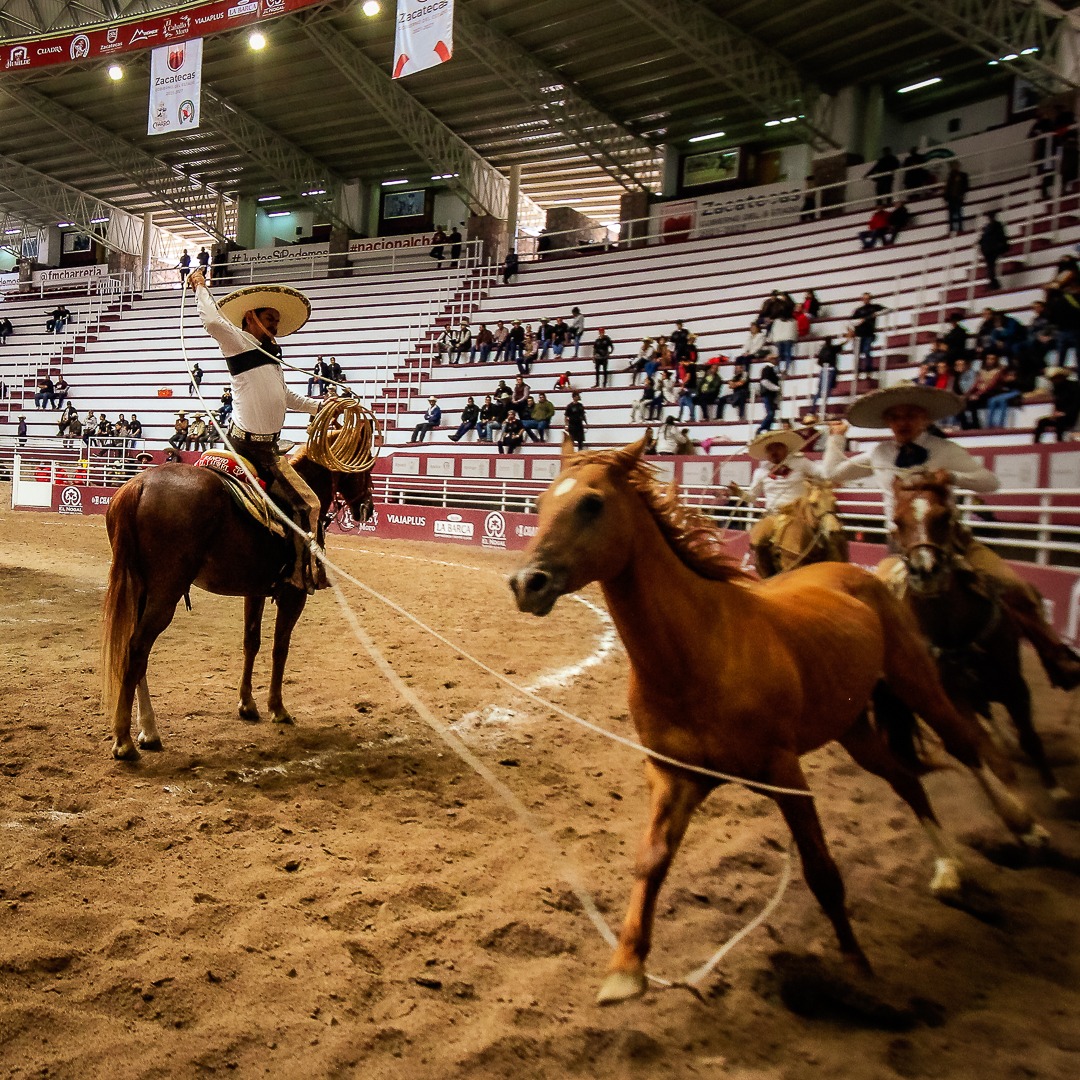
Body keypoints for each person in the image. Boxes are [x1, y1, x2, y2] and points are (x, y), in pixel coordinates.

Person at [824, 383, 1080, 689]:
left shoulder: (945, 450)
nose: (902, 422)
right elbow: (832, 474)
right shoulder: (880, 452)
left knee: (1016, 586)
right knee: (877, 605)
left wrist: (955, 476)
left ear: (925, 419)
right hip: (900, 545)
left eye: (910, 415)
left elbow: (990, 482)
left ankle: (1055, 653)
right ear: (888, 422)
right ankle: (882, 673)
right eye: (895, 417)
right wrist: (836, 438)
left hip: (953, 540)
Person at [187, 266, 325, 593]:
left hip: (264, 446)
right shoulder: (241, 342)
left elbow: (286, 396)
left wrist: (318, 406)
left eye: (277, 320)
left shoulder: (270, 356)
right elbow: (212, 322)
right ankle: (297, 571)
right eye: (269, 318)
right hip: (252, 449)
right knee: (310, 505)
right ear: (251, 317)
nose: (275, 325)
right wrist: (201, 287)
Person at [730, 429, 822, 578]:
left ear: (786, 447)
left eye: (777, 447)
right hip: (773, 516)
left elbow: (821, 474)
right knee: (758, 541)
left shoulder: (801, 463)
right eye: (770, 449)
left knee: (827, 535)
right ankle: (768, 577)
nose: (774, 452)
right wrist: (739, 492)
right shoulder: (761, 472)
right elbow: (752, 496)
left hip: (799, 515)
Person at [1033, 367, 1080, 442]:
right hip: (1059, 415)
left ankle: (1059, 441)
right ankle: (1036, 443)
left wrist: (1064, 413)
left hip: (1071, 415)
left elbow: (1076, 404)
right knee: (1041, 422)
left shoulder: (1074, 386)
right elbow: (1057, 402)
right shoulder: (1057, 388)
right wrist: (1055, 414)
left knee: (1060, 422)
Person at [851, 293, 887, 384]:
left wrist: (875, 314)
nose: (866, 300)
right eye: (864, 298)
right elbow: (852, 321)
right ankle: (858, 372)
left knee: (867, 351)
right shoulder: (859, 310)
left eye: (867, 298)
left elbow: (887, 310)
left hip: (868, 334)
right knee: (858, 354)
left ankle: (868, 371)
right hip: (859, 334)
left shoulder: (874, 307)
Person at [979, 210, 1009, 291]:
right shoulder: (988, 227)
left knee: (991, 267)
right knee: (990, 267)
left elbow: (1001, 237)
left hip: (992, 249)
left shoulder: (996, 225)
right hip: (988, 250)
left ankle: (994, 284)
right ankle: (993, 283)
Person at [811, 336, 840, 414]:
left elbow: (818, 362)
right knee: (827, 391)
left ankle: (813, 410)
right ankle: (822, 409)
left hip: (823, 370)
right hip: (830, 370)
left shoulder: (822, 350)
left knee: (820, 391)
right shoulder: (832, 349)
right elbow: (840, 346)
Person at [756, 355, 782, 434]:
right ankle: (761, 429)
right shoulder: (767, 369)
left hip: (771, 394)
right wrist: (776, 388)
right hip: (768, 394)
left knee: (772, 413)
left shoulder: (772, 369)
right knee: (770, 413)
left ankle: (767, 429)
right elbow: (764, 381)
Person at [943, 160, 970, 236]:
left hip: (958, 197)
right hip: (951, 198)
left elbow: (966, 186)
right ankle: (951, 229)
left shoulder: (963, 175)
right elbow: (947, 188)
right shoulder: (950, 176)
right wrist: (945, 197)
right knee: (951, 215)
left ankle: (960, 229)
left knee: (959, 213)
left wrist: (962, 195)